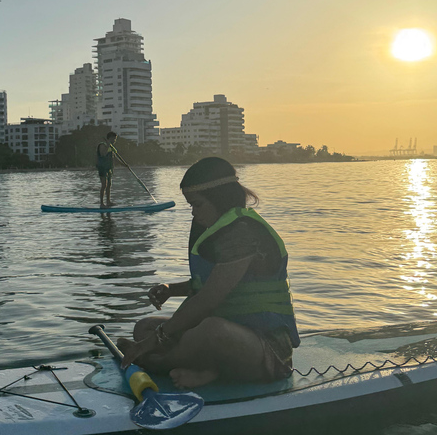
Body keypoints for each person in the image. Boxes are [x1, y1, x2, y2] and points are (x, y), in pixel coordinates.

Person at [117, 157, 300, 389]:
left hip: (269, 350)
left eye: (197, 204)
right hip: (235, 330)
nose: (194, 213)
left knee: (211, 331)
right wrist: (171, 290)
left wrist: (155, 341)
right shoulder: (219, 229)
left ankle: (156, 363)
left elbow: (209, 298)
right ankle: (210, 370)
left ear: (219, 198)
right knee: (143, 327)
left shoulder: (242, 233)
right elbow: (213, 282)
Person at [96, 131, 123, 208]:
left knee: (109, 185)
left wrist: (124, 164)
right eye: (114, 139)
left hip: (109, 168)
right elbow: (103, 154)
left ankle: (108, 202)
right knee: (104, 185)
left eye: (115, 139)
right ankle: (101, 204)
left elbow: (114, 158)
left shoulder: (111, 147)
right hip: (102, 167)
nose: (115, 141)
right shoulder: (103, 145)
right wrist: (108, 145)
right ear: (110, 138)